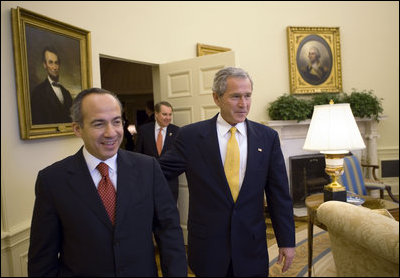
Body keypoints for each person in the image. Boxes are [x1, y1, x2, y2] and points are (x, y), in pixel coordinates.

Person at [28, 88, 187, 277]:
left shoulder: (148, 168)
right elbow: (42, 258)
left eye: (117, 122)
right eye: (98, 124)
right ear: (77, 128)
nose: (111, 133)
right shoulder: (52, 180)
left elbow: (168, 231)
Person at [159, 67, 296, 277]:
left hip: (252, 248)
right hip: (208, 249)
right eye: (235, 97)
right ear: (217, 98)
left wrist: (286, 241)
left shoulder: (267, 138)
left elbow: (279, 194)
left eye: (248, 96)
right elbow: (158, 171)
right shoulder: (191, 137)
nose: (244, 104)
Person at [135, 101, 180, 202]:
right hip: (148, 181)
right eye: (164, 114)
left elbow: (180, 157)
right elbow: (137, 154)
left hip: (169, 183)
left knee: (169, 213)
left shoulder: (177, 132)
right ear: (156, 114)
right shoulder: (144, 130)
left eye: (170, 114)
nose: (168, 118)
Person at [30, 46, 73, 124]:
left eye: (56, 63)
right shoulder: (38, 92)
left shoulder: (66, 93)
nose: (54, 67)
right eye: (50, 62)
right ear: (44, 65)